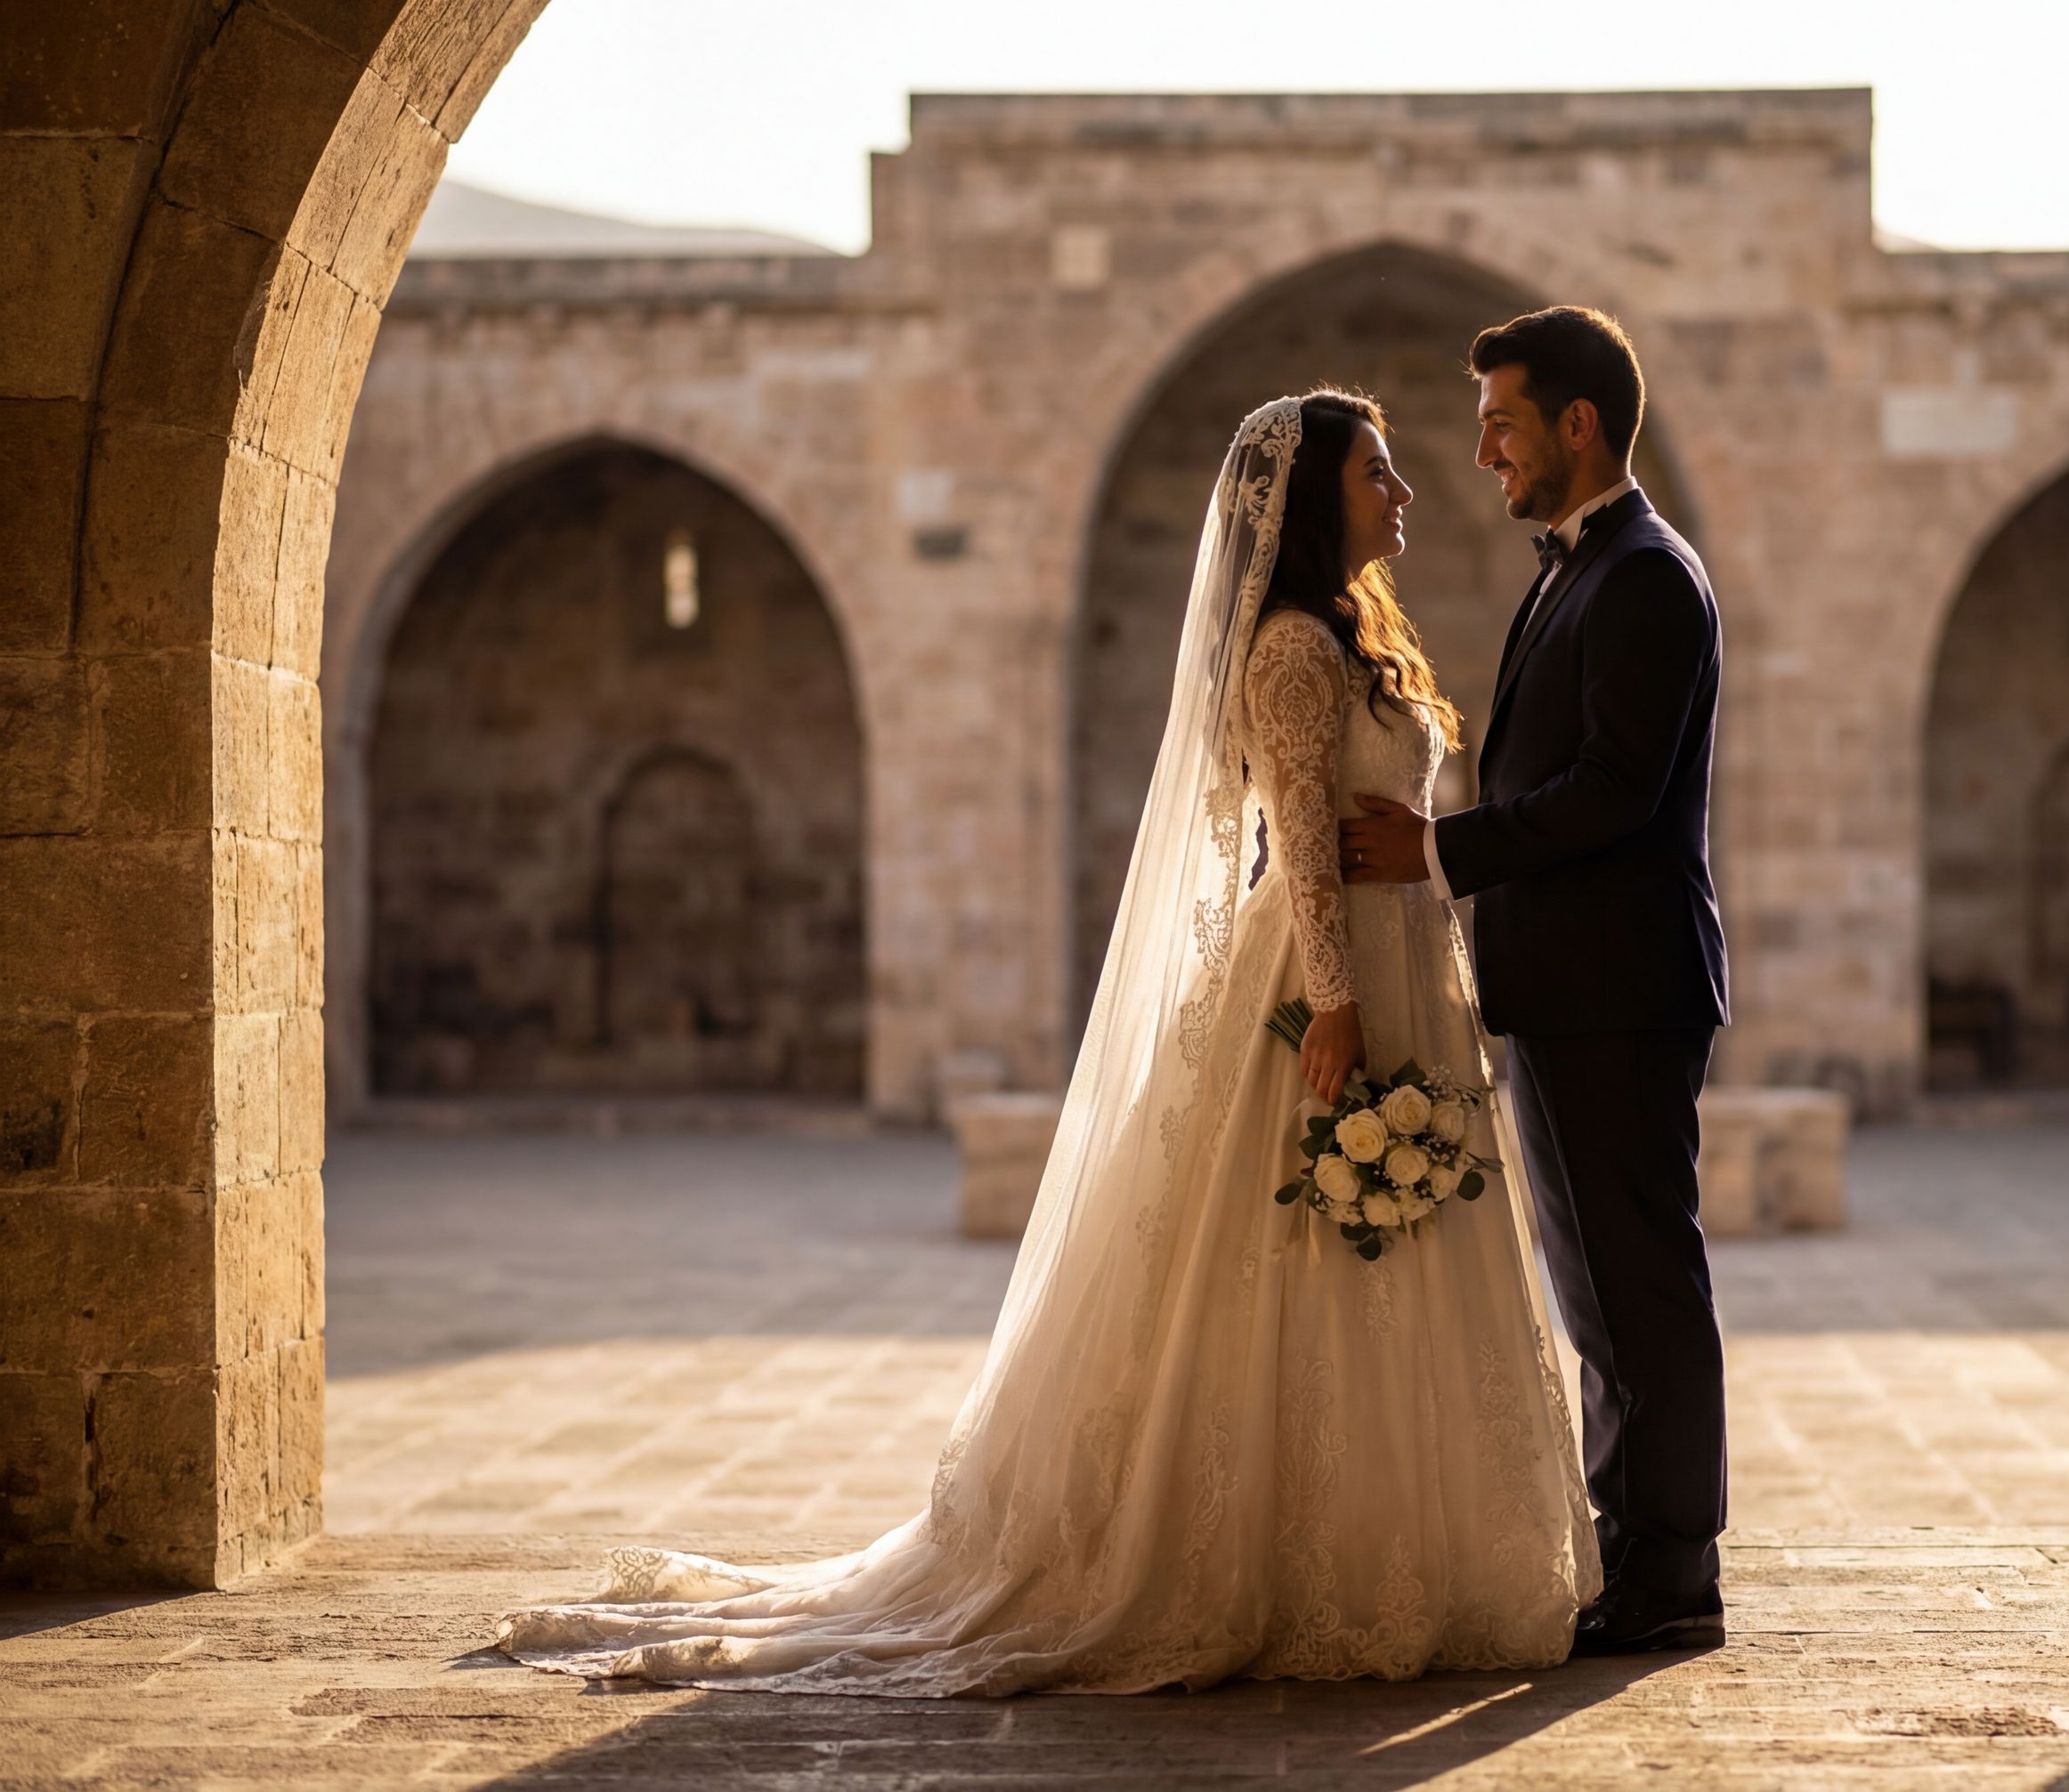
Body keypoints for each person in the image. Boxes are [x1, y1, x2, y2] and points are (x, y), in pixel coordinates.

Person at [491, 390, 1598, 1694]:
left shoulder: (1358, 634)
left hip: (1410, 963)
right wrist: (1338, 1005)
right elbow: (1295, 835)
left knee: (1387, 1262)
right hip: (1333, 975)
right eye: (1379, 472)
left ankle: (1398, 1536)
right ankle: (1299, 1552)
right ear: (1314, 500)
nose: (1404, 490)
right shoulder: (1294, 646)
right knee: (1298, 1252)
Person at [1341, 306, 1729, 1655]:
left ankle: (1673, 1576)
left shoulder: (1647, 577)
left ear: (1579, 424)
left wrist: (1439, 851)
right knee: (1599, 1294)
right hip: (1565, 986)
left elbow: (1615, 792)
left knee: (1641, 1288)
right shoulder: (1572, 570)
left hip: (1620, 987)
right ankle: (1639, 1557)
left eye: (1502, 420)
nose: (1481, 448)